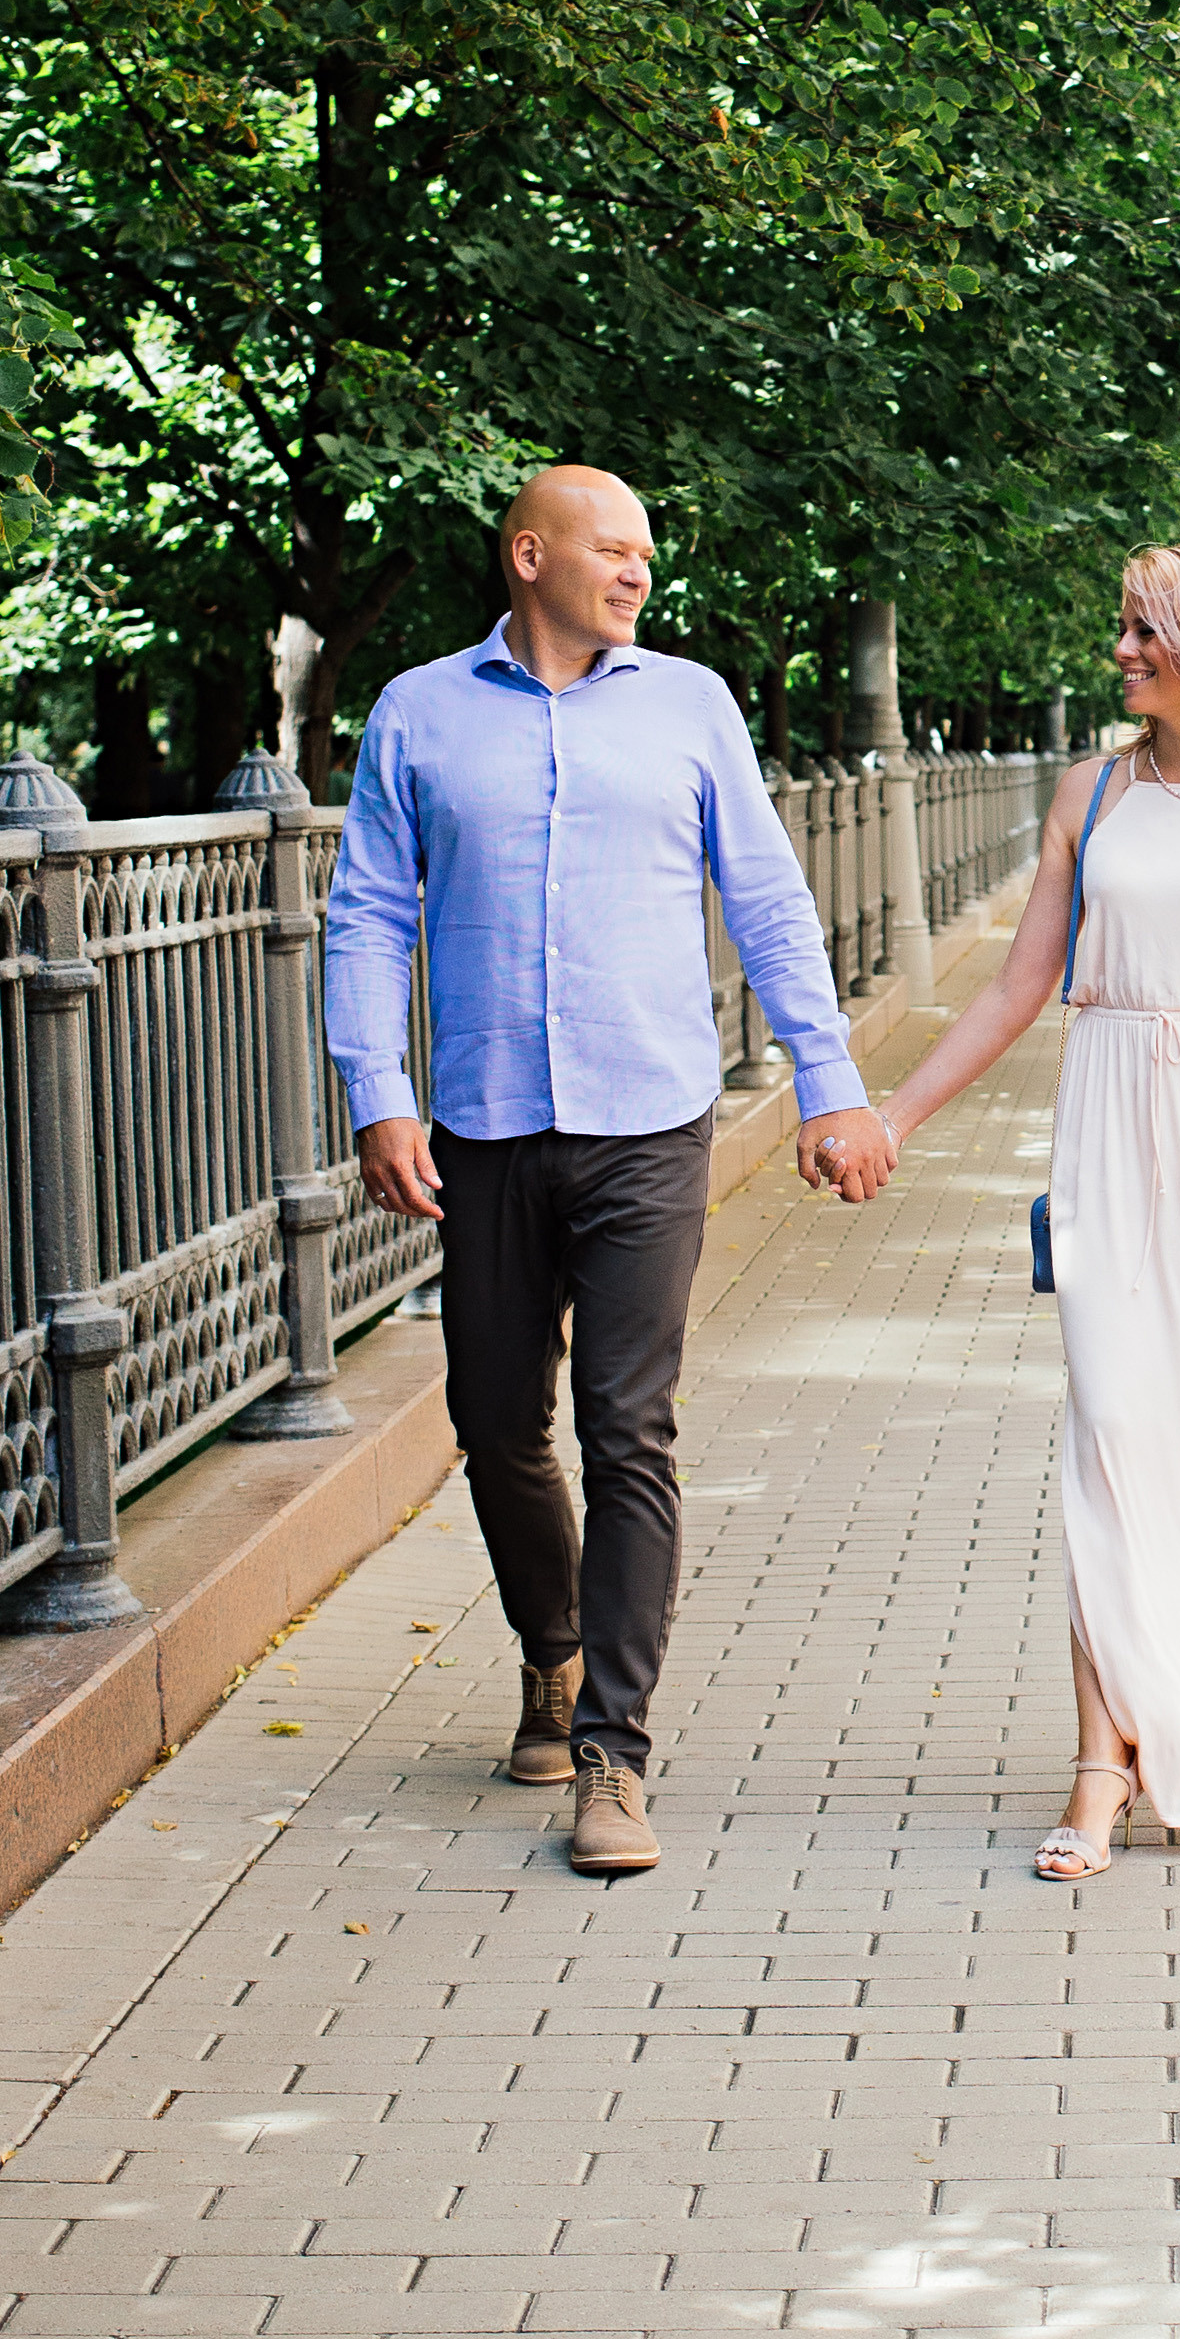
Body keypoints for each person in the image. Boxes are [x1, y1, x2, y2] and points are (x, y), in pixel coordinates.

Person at [324, 467, 887, 1876]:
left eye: (647, 552)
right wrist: (378, 1096)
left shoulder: (691, 704)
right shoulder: (421, 712)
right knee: (496, 1415)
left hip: (650, 1122)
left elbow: (765, 894)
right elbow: (369, 913)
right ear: (530, 555)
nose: (638, 572)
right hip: (486, 1127)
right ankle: (552, 1649)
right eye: (611, 549)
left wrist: (830, 1081)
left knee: (628, 1426)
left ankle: (613, 1756)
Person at [865, 539, 1180, 1877]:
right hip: (1109, 1122)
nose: (1124, 652)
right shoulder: (1093, 795)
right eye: (1126, 629)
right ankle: (1102, 1763)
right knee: (1113, 1433)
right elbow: (1015, 984)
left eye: (1149, 632)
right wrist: (897, 1119)